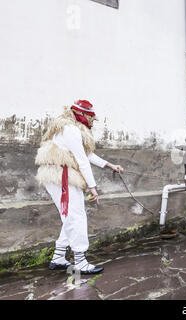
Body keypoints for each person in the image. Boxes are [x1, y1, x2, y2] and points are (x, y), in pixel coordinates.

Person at [35, 100, 124, 274]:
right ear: (82, 115)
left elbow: (87, 154)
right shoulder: (71, 129)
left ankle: (59, 257)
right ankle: (80, 262)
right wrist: (93, 187)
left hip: (61, 174)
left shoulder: (70, 128)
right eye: (91, 117)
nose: (92, 121)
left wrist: (110, 165)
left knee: (70, 218)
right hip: (62, 175)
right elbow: (82, 160)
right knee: (77, 218)